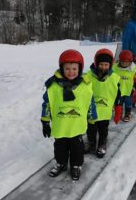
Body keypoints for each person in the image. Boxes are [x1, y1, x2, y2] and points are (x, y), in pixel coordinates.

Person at [41, 49, 95, 181]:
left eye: (74, 69)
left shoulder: (85, 86)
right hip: (60, 126)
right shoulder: (53, 86)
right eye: (67, 68)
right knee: (60, 148)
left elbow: (90, 104)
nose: (71, 72)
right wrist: (45, 121)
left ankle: (76, 165)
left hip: (76, 126)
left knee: (77, 148)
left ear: (80, 68)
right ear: (62, 68)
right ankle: (61, 163)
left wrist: (92, 120)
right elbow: (47, 104)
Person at [86, 49, 120, 158]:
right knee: (91, 129)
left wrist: (118, 106)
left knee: (103, 130)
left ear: (110, 65)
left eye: (106, 65)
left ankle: (102, 144)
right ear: (96, 64)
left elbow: (118, 93)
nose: (103, 67)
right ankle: (91, 143)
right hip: (91, 110)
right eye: (101, 64)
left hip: (105, 111)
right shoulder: (88, 76)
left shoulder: (114, 78)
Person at [113, 50, 136, 121]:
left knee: (128, 103)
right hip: (118, 90)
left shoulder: (134, 68)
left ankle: (127, 114)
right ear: (120, 60)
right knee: (119, 103)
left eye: (127, 62)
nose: (124, 64)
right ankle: (119, 114)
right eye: (123, 62)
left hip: (129, 90)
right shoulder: (114, 67)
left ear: (130, 62)